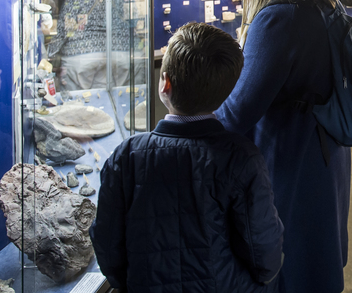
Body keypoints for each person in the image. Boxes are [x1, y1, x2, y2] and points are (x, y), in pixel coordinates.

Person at [91, 22, 284, 292]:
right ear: (228, 89)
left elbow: (107, 245)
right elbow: (264, 251)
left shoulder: (126, 156)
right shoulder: (241, 157)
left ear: (165, 83)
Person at [213, 0, 351, 293]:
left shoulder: (277, 17)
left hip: (293, 156)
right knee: (320, 254)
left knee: (292, 264)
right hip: (324, 149)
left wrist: (186, 127)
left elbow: (239, 111)